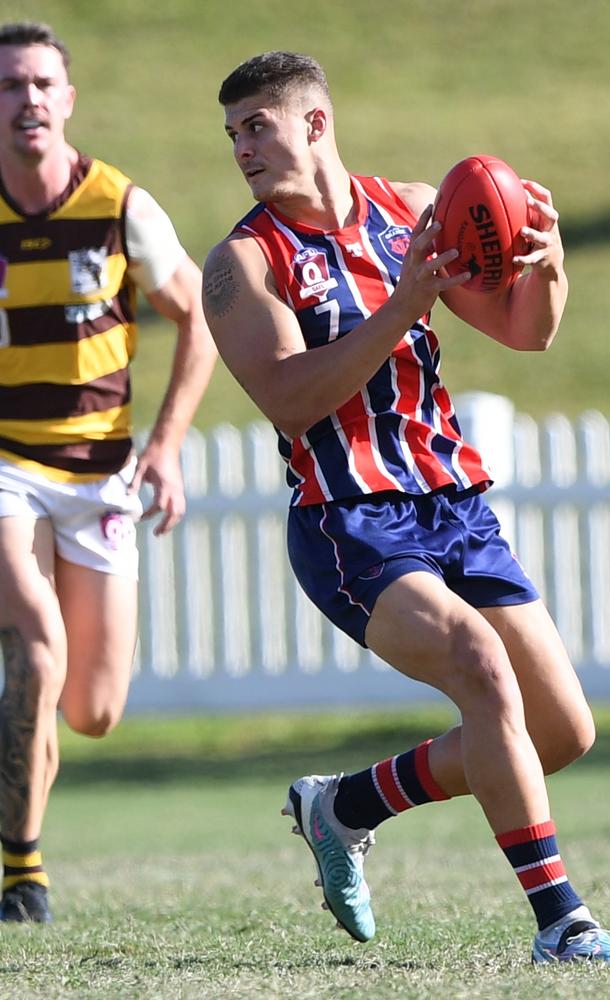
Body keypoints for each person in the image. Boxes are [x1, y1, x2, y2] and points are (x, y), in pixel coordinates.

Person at [202, 51, 610, 965]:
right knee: (481, 669)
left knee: (560, 729)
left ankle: (345, 804)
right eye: (233, 131)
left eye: (257, 125)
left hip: (452, 503)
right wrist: (405, 300)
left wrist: (546, 261)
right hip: (347, 518)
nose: (241, 146)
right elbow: (289, 398)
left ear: (314, 123)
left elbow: (528, 329)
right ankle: (563, 922)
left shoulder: (410, 210)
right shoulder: (242, 264)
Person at [0, 21, 217, 922]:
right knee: (37, 648)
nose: (29, 100)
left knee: (91, 708)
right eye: (11, 86)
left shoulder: (121, 204)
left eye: (43, 84)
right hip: (6, 463)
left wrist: (164, 444)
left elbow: (201, 314)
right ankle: (22, 872)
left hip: (101, 475)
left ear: (69, 99)